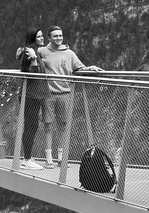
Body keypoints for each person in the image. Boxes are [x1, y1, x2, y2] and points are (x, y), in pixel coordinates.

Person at [38, 26, 103, 166]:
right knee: (48, 125)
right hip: (47, 94)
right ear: (49, 38)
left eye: (60, 35)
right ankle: (48, 158)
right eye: (55, 36)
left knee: (62, 125)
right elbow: (31, 63)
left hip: (65, 93)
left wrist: (90, 68)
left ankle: (61, 158)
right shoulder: (42, 51)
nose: (58, 38)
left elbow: (79, 68)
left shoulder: (69, 53)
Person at [16, 29, 48, 169]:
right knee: (30, 126)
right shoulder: (30, 53)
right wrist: (34, 58)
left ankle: (27, 157)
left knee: (32, 126)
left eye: (42, 35)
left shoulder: (32, 50)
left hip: (35, 94)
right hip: (30, 95)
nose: (42, 38)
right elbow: (32, 75)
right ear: (33, 38)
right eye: (39, 36)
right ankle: (27, 159)